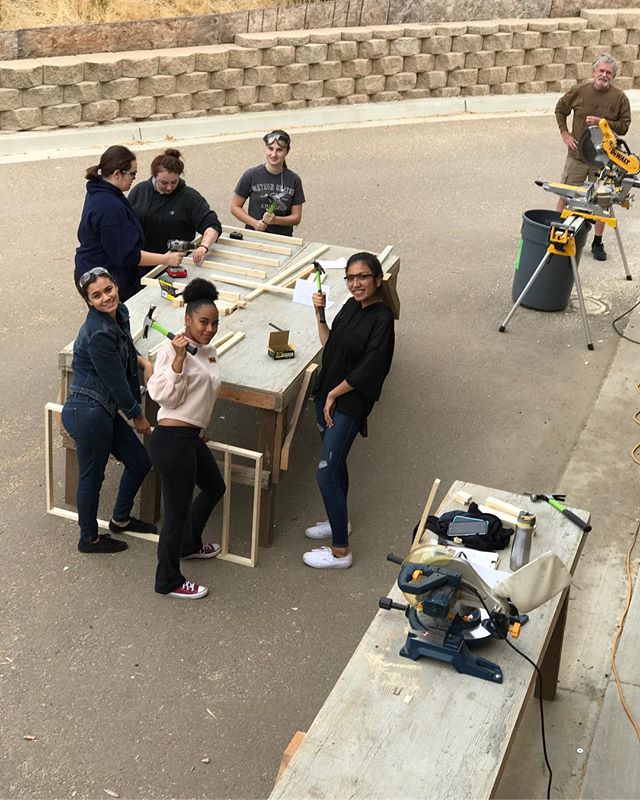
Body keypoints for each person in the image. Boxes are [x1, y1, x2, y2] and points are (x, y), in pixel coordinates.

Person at [303, 252, 395, 570]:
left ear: (377, 280)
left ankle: (341, 551)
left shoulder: (382, 319)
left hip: (348, 405)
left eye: (362, 277)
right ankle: (337, 520)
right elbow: (331, 346)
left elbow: (370, 369)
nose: (355, 284)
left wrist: (333, 394)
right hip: (328, 397)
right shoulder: (350, 307)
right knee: (336, 464)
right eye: (350, 278)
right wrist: (319, 314)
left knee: (326, 474)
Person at [62, 267, 157, 554]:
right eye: (97, 295)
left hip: (102, 410)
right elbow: (115, 381)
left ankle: (120, 519)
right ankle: (88, 539)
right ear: (89, 302)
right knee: (92, 476)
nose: (106, 297)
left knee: (140, 461)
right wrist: (138, 415)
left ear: (116, 285)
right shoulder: (98, 333)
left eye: (108, 289)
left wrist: (144, 363)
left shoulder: (121, 312)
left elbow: (127, 346)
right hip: (88, 412)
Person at [147, 278, 226, 600]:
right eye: (203, 322)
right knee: (175, 513)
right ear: (187, 321)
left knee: (215, 487)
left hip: (190, 436)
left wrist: (200, 428)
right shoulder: (171, 349)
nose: (209, 328)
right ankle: (167, 580)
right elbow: (161, 395)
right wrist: (179, 361)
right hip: (171, 439)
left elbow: (201, 396)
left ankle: (189, 545)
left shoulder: (208, 351)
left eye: (215, 323)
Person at [75, 145, 185, 301]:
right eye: (132, 174)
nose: (134, 178)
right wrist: (166, 259)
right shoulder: (109, 207)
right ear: (117, 174)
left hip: (95, 270)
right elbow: (127, 256)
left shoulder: (101, 191)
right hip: (101, 281)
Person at [554, 53, 631, 261]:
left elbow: (624, 127)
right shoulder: (579, 91)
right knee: (566, 194)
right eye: (601, 71)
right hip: (577, 156)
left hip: (603, 160)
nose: (604, 75)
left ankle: (597, 242)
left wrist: (603, 122)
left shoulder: (620, 98)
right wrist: (565, 134)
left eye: (609, 72)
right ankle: (557, 234)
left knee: (602, 201)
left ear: (613, 76)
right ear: (593, 71)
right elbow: (560, 110)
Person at [128, 148, 222, 269]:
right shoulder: (139, 191)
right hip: (142, 262)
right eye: (164, 183)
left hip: (176, 265)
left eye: (174, 182)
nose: (169, 187)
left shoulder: (190, 197)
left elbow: (212, 225)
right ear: (154, 176)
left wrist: (204, 247)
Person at [230, 129, 305, 237]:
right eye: (270, 149)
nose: (273, 154)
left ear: (287, 152)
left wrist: (275, 220)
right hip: (254, 237)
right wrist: (254, 223)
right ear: (265, 148)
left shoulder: (294, 180)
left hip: (283, 240)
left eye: (279, 150)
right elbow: (234, 207)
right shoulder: (251, 175)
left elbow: (296, 218)